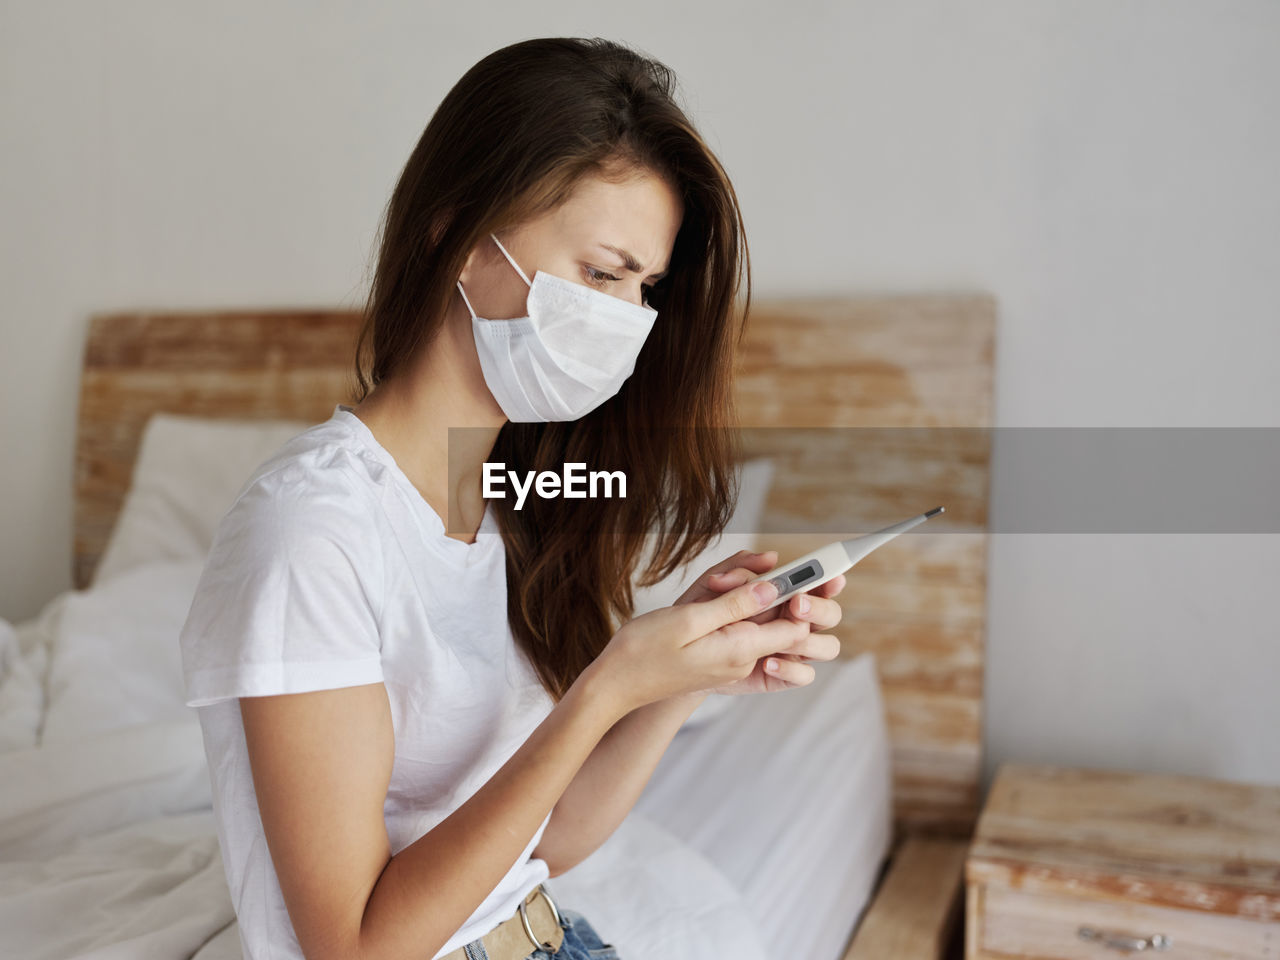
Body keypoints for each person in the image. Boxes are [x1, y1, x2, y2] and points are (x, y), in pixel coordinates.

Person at [178, 37, 846, 960]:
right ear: (453, 235)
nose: (627, 321)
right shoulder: (312, 528)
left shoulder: (509, 498)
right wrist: (606, 686)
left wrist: (680, 681)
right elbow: (357, 946)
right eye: (601, 273)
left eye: (645, 289)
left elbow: (545, 843)